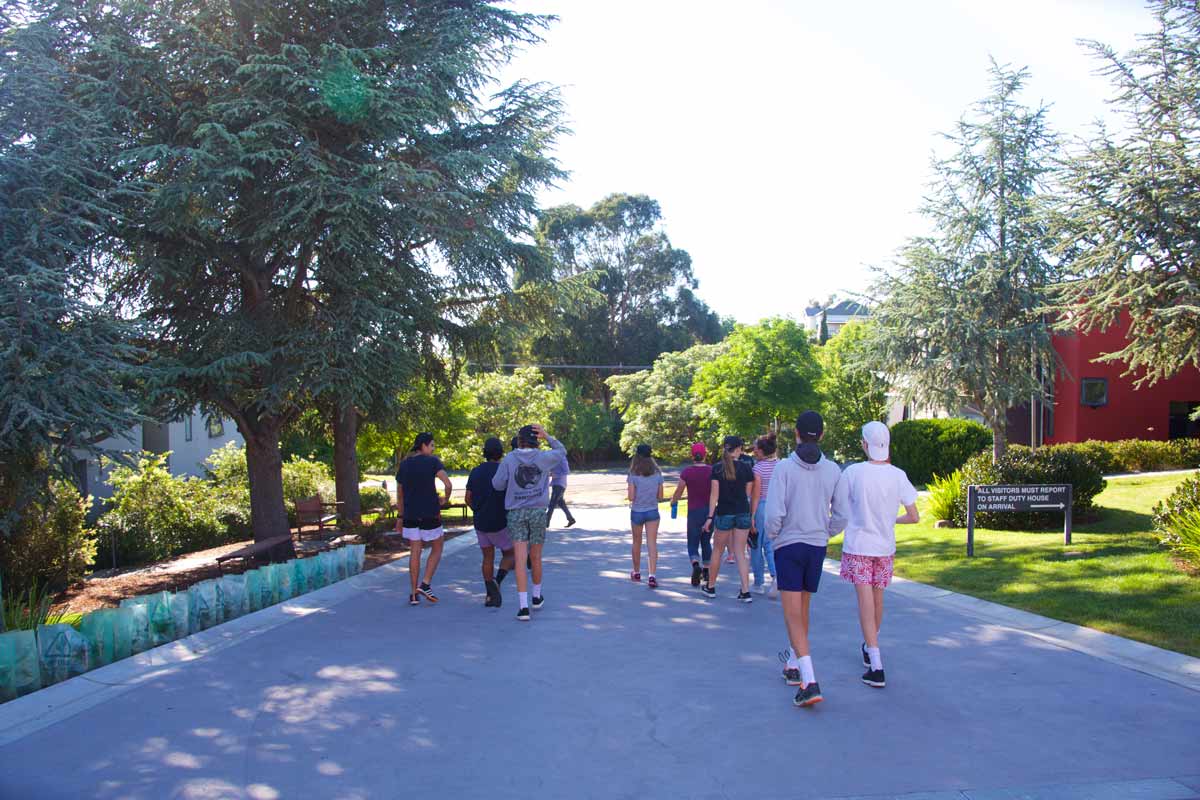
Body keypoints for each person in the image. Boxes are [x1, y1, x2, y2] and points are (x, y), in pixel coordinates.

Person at [764, 411, 846, 708]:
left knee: (791, 613)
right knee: (803, 609)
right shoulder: (833, 470)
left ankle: (809, 680)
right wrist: (826, 532)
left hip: (789, 544)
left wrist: (774, 536)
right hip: (815, 545)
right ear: (821, 435)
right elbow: (842, 514)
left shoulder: (784, 468)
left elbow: (773, 513)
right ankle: (793, 663)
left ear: (796, 433)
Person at [833, 420, 920, 688]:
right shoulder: (898, 474)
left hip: (859, 545)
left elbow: (842, 509)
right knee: (878, 598)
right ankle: (870, 647)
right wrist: (891, 520)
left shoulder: (853, 473)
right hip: (884, 546)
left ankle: (876, 663)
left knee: (864, 602)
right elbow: (914, 516)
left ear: (864, 444)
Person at [492, 423, 568, 621]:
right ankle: (536, 596)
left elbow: (497, 484)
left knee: (519, 559)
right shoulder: (543, 457)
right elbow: (561, 451)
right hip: (537, 512)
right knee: (536, 557)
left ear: (519, 440)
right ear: (536, 439)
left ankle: (523, 607)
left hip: (516, 513)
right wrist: (548, 436)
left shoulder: (509, 459)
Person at [395, 432, 452, 606]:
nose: (433, 449)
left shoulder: (404, 465)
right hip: (430, 513)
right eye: (432, 445)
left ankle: (413, 594)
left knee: (415, 550)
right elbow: (448, 484)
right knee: (438, 546)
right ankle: (425, 583)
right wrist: (445, 499)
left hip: (411, 514)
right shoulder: (433, 462)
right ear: (424, 445)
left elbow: (400, 493)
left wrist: (400, 516)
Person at [702, 435, 755, 602]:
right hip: (742, 513)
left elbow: (713, 496)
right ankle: (745, 591)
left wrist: (710, 517)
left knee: (717, 550)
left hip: (724, 512)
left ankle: (711, 587)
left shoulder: (717, 469)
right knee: (740, 552)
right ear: (738, 449)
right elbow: (747, 494)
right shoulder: (746, 468)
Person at [466, 437, 514, 608]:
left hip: (480, 522)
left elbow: (468, 498)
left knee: (487, 557)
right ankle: (497, 581)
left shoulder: (475, 471)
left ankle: (489, 594)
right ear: (501, 453)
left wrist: (478, 510)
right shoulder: (504, 470)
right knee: (511, 553)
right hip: (499, 521)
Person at [670, 442, 713, 587]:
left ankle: (696, 565)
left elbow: (679, 491)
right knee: (706, 542)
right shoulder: (711, 471)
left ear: (692, 456)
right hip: (709, 511)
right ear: (705, 455)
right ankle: (706, 571)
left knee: (693, 543)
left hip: (694, 511)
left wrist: (673, 502)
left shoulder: (687, 472)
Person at [627, 443, 665, 587]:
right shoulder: (657, 473)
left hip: (637, 511)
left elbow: (631, 497)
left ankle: (636, 573)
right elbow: (660, 496)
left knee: (637, 542)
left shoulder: (633, 473)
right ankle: (652, 575)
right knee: (652, 543)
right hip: (652, 511)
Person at [749, 433, 780, 596]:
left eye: (755, 449)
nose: (753, 451)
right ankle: (775, 576)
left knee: (755, 544)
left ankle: (758, 582)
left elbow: (756, 494)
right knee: (771, 544)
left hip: (761, 506)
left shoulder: (758, 469)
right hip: (777, 507)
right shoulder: (781, 465)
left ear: (761, 451)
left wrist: (752, 516)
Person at [546, 449, 577, 528]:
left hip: (560, 485)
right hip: (556, 484)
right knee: (561, 503)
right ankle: (571, 519)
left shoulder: (562, 459)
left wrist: (555, 475)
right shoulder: (555, 460)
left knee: (552, 504)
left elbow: (567, 471)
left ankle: (546, 522)